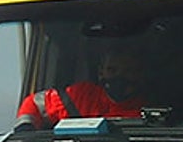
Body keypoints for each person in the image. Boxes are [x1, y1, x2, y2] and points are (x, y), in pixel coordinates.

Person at [16, 49, 146, 129]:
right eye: (112, 70)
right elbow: (36, 103)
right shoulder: (81, 96)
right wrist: (25, 128)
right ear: (101, 72)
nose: (119, 76)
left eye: (128, 71)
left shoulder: (151, 107)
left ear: (139, 74)